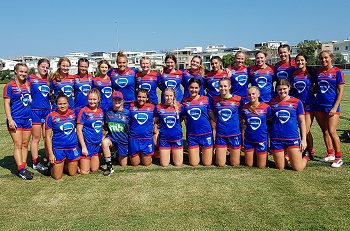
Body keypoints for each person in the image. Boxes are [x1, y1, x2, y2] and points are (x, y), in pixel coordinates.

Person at [314, 50, 345, 167]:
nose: (324, 60)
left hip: (332, 106)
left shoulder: (337, 72)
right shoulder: (318, 72)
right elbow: (317, 87)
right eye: (321, 58)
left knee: (332, 131)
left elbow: (341, 91)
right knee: (325, 130)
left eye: (326, 58)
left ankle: (339, 157)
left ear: (331, 58)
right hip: (319, 106)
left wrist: (335, 106)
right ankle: (330, 153)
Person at [269, 79, 308, 171]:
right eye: (279, 89)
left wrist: (304, 140)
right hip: (276, 139)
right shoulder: (272, 102)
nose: (282, 91)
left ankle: (306, 156)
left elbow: (302, 122)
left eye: (284, 89)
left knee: (298, 168)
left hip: (292, 139)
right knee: (280, 167)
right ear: (276, 90)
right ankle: (287, 157)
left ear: (289, 88)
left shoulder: (297, 102)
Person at [4, 63, 33, 180]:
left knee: (25, 144)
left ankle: (23, 167)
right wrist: (10, 119)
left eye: (25, 72)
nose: (23, 74)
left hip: (27, 119)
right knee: (18, 144)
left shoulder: (28, 84)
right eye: (21, 71)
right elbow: (6, 104)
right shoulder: (9, 86)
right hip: (15, 119)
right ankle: (21, 170)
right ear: (15, 71)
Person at [46, 93, 80, 180]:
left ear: (68, 104)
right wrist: (50, 154)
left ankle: (65, 164)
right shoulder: (51, 116)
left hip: (72, 147)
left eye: (64, 103)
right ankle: (52, 166)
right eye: (60, 104)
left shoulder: (73, 113)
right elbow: (48, 137)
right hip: (58, 148)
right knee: (57, 177)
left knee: (72, 173)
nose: (62, 106)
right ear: (56, 104)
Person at [183, 78, 215, 166]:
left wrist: (217, 122)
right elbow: (183, 116)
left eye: (196, 88)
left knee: (207, 163)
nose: (194, 90)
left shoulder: (206, 99)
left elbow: (211, 113)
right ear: (188, 88)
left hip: (206, 133)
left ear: (200, 88)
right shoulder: (184, 101)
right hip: (192, 135)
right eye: (191, 87)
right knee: (193, 163)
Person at [210, 78, 242, 167]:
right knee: (220, 164)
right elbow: (210, 111)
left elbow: (242, 113)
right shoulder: (215, 99)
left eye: (225, 86)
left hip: (234, 134)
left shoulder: (238, 99)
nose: (223, 88)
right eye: (221, 86)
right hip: (221, 134)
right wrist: (216, 120)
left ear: (230, 87)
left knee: (235, 164)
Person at [290, 54, 316, 160]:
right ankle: (306, 150)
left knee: (305, 130)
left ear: (306, 61)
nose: (300, 62)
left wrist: (315, 89)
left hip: (309, 104)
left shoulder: (311, 72)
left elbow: (320, 84)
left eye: (302, 60)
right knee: (299, 129)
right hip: (297, 105)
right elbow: (292, 88)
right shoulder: (294, 73)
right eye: (298, 61)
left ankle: (309, 151)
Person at [28, 58, 51, 172]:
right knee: (36, 138)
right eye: (43, 67)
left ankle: (49, 159)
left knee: (47, 137)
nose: (45, 69)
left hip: (47, 111)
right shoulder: (31, 78)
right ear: (37, 66)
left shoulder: (48, 80)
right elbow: (21, 86)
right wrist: (28, 96)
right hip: (35, 111)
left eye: (47, 68)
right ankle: (35, 162)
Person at [241, 86, 271, 168]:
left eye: (253, 94)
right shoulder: (244, 107)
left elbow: (269, 122)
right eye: (249, 94)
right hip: (249, 140)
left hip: (261, 140)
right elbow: (242, 122)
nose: (251, 96)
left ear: (258, 94)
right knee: (249, 165)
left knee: (261, 166)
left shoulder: (266, 107)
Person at [102, 91, 130, 176]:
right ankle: (109, 167)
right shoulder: (108, 111)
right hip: (112, 137)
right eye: (115, 99)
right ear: (112, 100)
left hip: (123, 139)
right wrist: (103, 134)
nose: (117, 101)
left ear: (123, 101)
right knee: (104, 142)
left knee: (123, 164)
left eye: (119, 100)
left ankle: (115, 153)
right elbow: (103, 123)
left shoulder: (128, 113)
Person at [76, 88, 104, 175]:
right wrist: (84, 147)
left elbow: (101, 127)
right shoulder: (83, 111)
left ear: (98, 99)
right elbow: (79, 130)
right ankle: (73, 164)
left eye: (94, 99)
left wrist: (102, 139)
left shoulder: (100, 111)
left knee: (94, 169)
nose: (92, 101)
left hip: (96, 145)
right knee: (85, 172)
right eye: (90, 99)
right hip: (87, 144)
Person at [154, 88, 184, 167]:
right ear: (163, 96)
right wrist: (155, 132)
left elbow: (182, 119)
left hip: (176, 138)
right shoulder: (159, 107)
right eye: (166, 96)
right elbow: (154, 121)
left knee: (178, 164)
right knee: (164, 164)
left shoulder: (180, 107)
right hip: (164, 139)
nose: (168, 98)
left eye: (171, 96)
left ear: (174, 96)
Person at [205, 56, 230, 140]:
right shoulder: (208, 75)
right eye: (212, 63)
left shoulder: (227, 73)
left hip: (224, 103)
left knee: (225, 123)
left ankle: (226, 144)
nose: (214, 65)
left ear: (220, 63)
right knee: (213, 124)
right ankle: (215, 145)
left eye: (216, 63)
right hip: (212, 103)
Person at [129, 89, 155, 166]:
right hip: (134, 139)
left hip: (147, 139)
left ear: (147, 98)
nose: (141, 99)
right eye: (139, 97)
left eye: (143, 97)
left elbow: (159, 117)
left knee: (147, 163)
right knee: (135, 164)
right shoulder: (131, 107)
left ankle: (149, 154)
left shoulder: (152, 107)